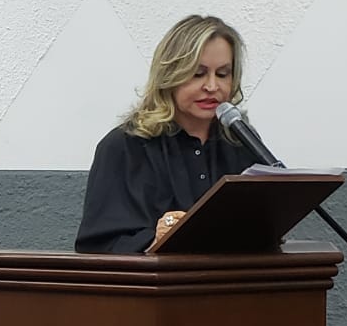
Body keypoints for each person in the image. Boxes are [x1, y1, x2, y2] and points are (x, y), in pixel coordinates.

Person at [74, 14, 261, 254]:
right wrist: (155, 241)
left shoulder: (241, 141)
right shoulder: (125, 147)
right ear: (170, 75)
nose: (212, 86)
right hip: (156, 278)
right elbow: (97, 246)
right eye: (198, 73)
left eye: (223, 74)